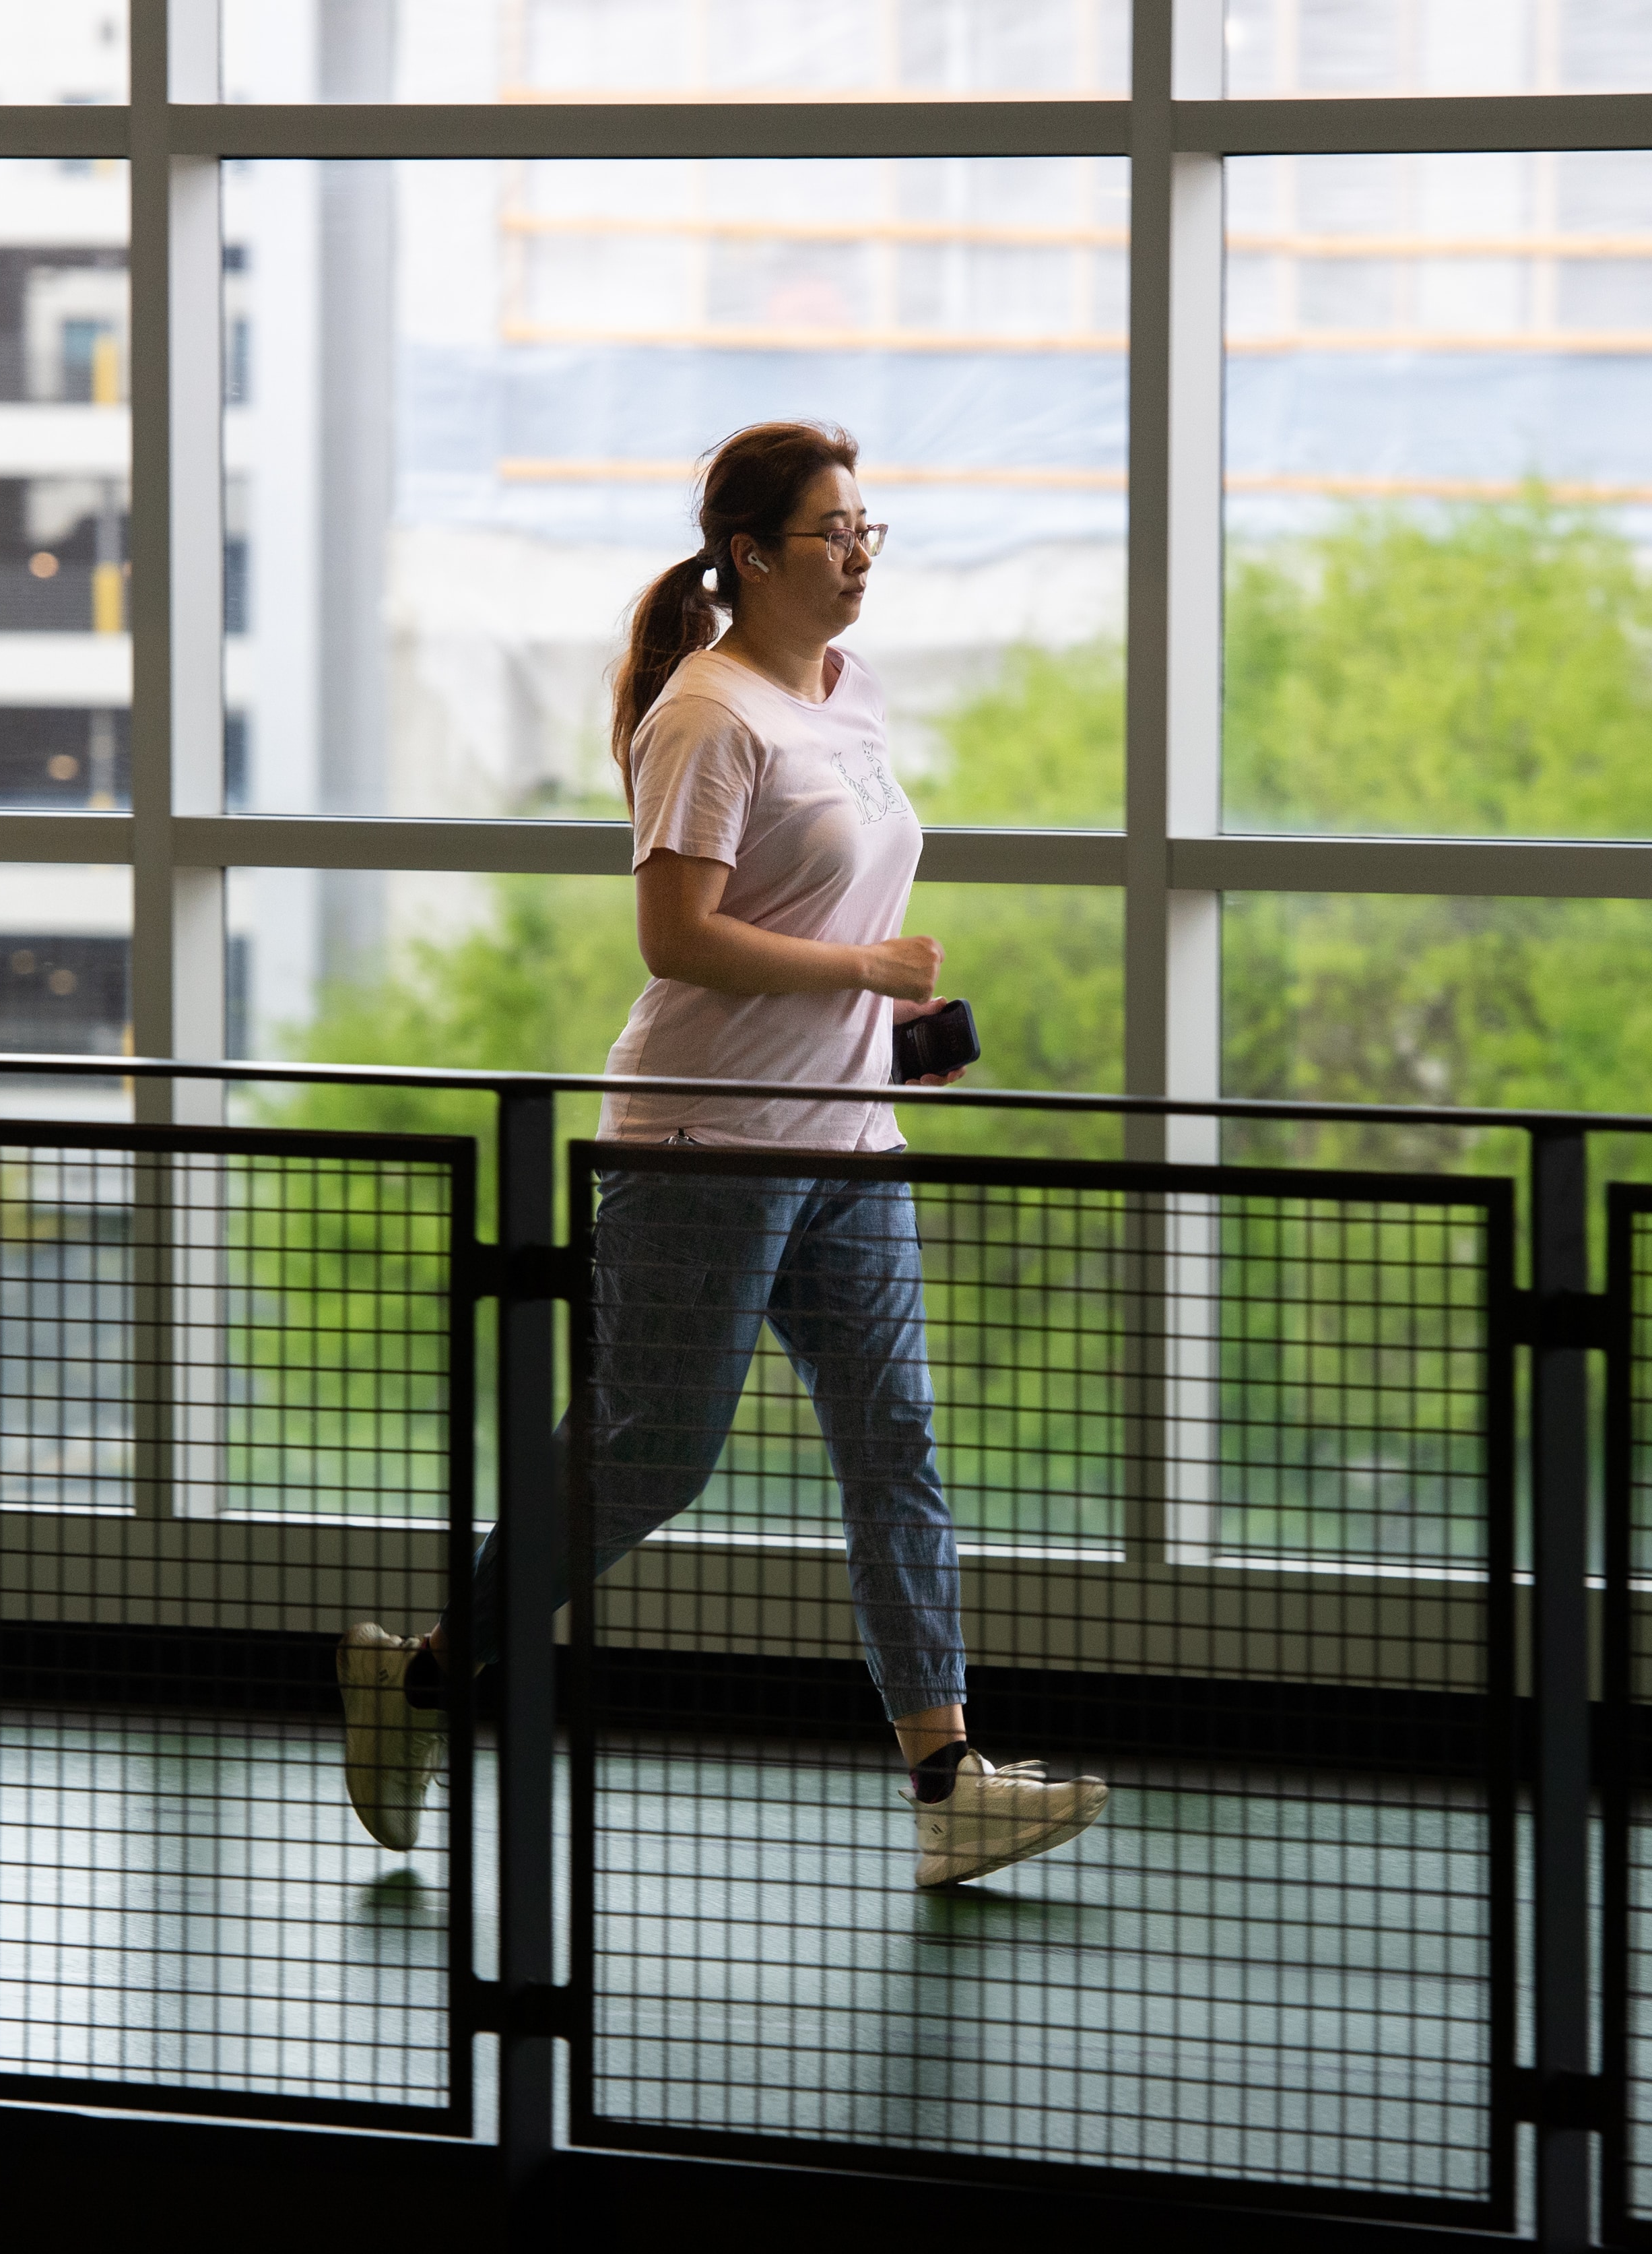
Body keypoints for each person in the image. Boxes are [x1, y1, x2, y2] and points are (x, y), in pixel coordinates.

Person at [336, 420, 1111, 1890]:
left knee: (896, 1451)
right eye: (830, 533)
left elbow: (830, 907)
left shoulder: (846, 692)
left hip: (844, 1140)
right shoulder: (704, 716)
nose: (855, 557)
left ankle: (947, 1779)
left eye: (867, 531)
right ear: (750, 554)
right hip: (704, 1140)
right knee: (652, 1455)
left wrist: (897, 1027)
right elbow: (676, 935)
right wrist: (861, 972)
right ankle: (427, 1679)